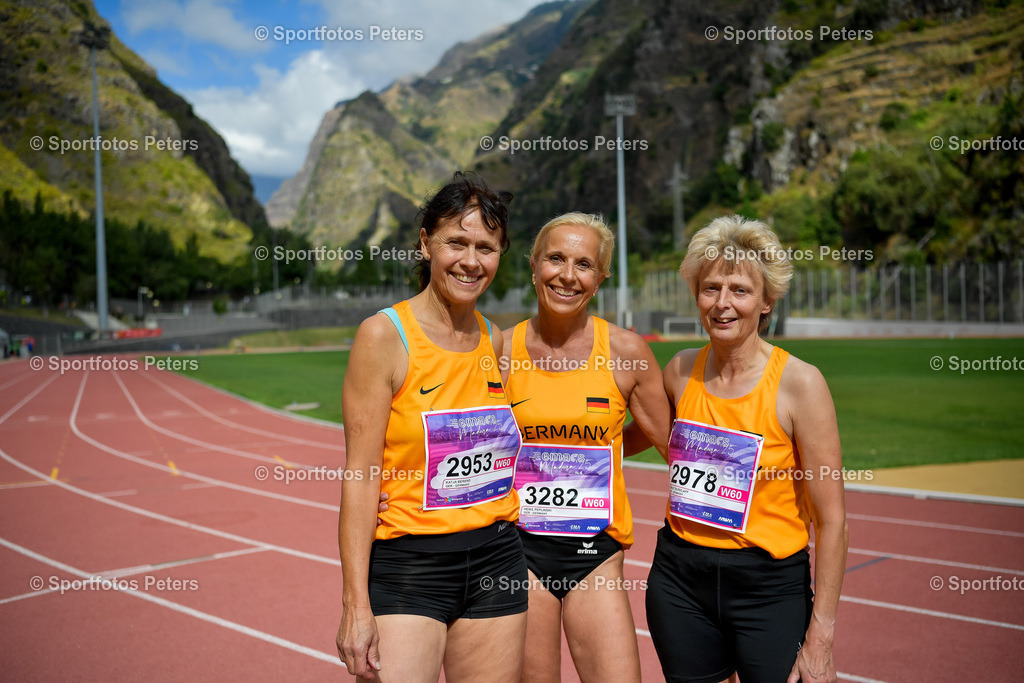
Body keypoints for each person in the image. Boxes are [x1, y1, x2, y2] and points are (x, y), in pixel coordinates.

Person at [336, 172, 528, 682]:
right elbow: (360, 474)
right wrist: (355, 604)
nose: (470, 261)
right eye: (456, 243)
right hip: (409, 567)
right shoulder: (383, 336)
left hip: (496, 560)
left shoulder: (497, 342)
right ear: (425, 244)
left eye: (485, 247)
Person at [645, 215, 849, 683]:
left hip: (769, 588)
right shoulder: (679, 371)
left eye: (739, 290)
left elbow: (832, 519)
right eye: (710, 288)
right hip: (681, 582)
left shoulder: (801, 384)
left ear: (766, 301)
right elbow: (650, 438)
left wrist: (821, 635)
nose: (722, 304)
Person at [501, 212, 671, 682]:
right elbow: (461, 441)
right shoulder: (498, 352)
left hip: (594, 555)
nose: (567, 275)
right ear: (534, 265)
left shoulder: (626, 352)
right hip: (519, 552)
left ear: (600, 278)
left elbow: (673, 445)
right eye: (555, 258)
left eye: (583, 264)